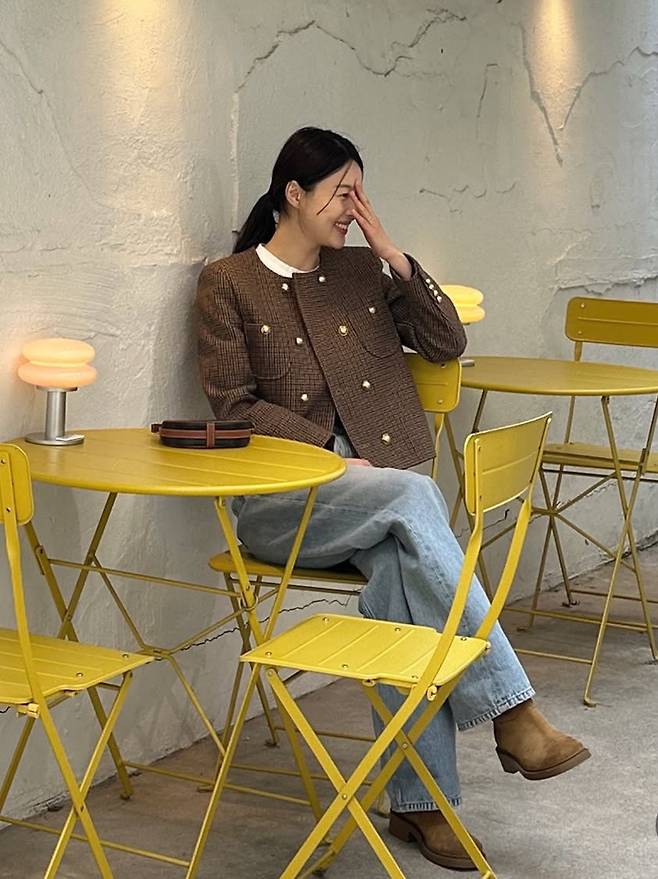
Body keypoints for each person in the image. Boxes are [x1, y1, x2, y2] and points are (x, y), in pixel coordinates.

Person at [196, 127, 590, 872]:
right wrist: (326, 450)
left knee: (404, 589)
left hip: (380, 506)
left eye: (360, 193)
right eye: (342, 193)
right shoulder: (230, 282)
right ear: (294, 193)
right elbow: (234, 405)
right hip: (284, 502)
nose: (354, 207)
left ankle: (420, 805)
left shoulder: (359, 270)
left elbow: (446, 343)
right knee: (414, 495)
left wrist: (394, 256)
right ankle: (512, 709)